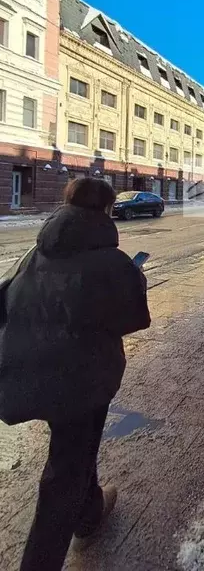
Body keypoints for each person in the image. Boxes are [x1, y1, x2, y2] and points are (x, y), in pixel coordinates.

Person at [0, 178, 151, 571]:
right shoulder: (112, 261)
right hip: (81, 380)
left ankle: (90, 513)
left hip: (26, 373)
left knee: (75, 448)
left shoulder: (35, 253)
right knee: (64, 473)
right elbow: (134, 318)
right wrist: (136, 280)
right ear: (106, 210)